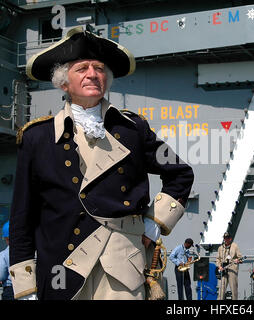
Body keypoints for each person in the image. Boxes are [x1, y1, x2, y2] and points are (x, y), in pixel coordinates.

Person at [9, 26, 194, 300]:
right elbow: (23, 216)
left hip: (121, 268)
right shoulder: (37, 137)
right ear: (63, 82)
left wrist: (154, 224)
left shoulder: (134, 129)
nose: (92, 74)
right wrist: (25, 288)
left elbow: (180, 173)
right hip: (63, 269)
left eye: (98, 68)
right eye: (81, 68)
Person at [216, 231, 243, 300]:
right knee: (221, 289)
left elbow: (240, 258)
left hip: (232, 269)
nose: (226, 239)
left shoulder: (235, 246)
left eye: (227, 238)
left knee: (234, 289)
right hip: (223, 270)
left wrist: (238, 260)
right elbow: (218, 259)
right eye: (225, 238)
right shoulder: (220, 248)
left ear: (230, 239)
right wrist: (219, 266)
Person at [0, 221, 14, 300]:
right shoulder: (32, 250)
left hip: (11, 289)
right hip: (30, 288)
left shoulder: (5, 253)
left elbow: (1, 275)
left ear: (7, 239)